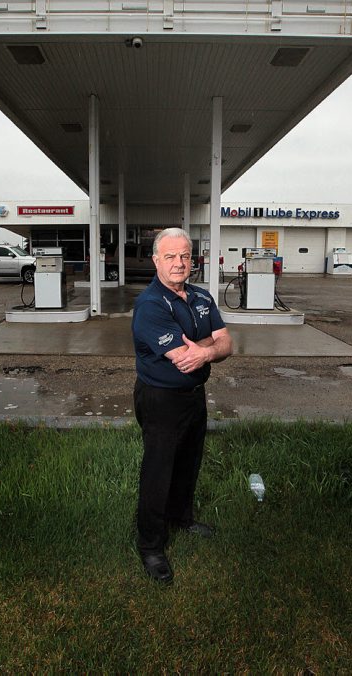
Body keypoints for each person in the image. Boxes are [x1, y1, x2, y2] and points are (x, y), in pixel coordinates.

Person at [131, 227, 233, 584]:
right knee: (158, 471)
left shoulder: (203, 297)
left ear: (193, 259)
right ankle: (151, 546)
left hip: (194, 396)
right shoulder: (149, 305)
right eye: (170, 256)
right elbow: (183, 358)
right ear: (156, 260)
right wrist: (208, 348)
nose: (178, 263)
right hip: (160, 398)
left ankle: (181, 519)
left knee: (188, 461)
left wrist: (205, 349)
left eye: (185, 256)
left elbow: (226, 344)